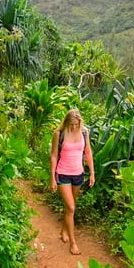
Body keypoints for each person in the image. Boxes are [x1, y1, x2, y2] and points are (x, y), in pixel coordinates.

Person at [50, 108, 95, 255]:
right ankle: (73, 243)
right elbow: (54, 156)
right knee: (71, 207)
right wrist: (52, 178)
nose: (74, 127)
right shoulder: (59, 134)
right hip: (63, 174)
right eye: (71, 124)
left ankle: (63, 229)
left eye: (76, 124)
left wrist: (92, 173)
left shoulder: (84, 132)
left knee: (70, 207)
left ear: (80, 122)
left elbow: (87, 152)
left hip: (78, 175)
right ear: (67, 122)